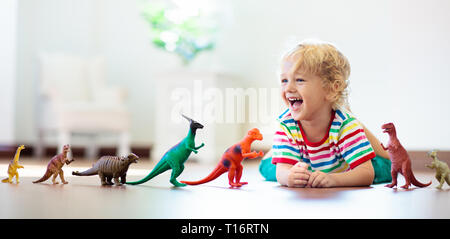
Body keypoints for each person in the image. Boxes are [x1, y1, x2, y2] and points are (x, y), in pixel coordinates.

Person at [259, 39, 391, 187]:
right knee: (268, 168)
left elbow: (366, 173)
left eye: (299, 80)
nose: (288, 88)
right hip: (302, 161)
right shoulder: (287, 124)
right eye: (284, 80)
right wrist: (289, 176)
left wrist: (335, 179)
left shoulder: (344, 125)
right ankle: (277, 151)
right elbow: (281, 171)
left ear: (330, 89)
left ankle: (345, 112)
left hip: (340, 164)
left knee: (385, 170)